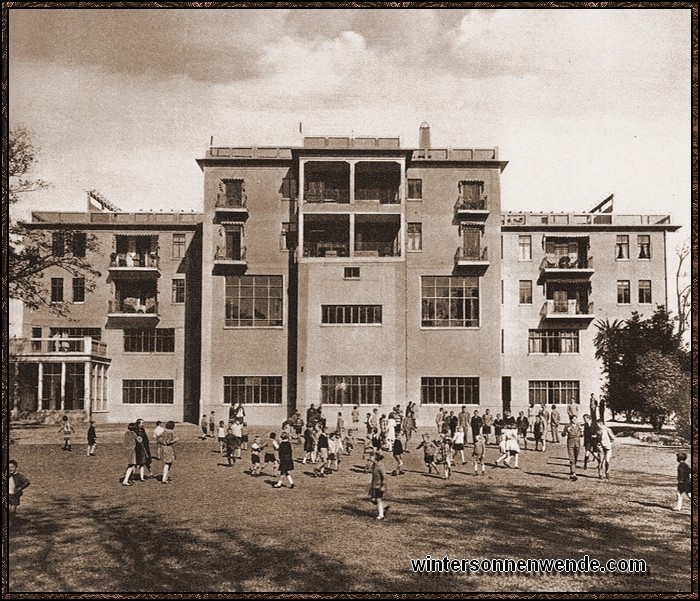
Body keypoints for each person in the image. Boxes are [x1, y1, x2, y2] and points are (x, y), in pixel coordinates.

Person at [562, 415, 582, 481]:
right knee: (572, 459)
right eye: (573, 419)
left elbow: (581, 435)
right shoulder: (567, 426)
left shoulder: (579, 426)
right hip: (570, 444)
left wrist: (582, 431)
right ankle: (573, 473)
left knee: (575, 459)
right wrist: (566, 431)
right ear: (571, 420)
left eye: (575, 419)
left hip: (577, 444)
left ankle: (572, 471)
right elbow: (563, 434)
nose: (574, 420)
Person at [370, 452, 389, 520]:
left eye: (371, 456)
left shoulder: (381, 466)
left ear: (375, 458)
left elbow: (384, 477)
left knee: (378, 499)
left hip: (379, 486)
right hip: (374, 485)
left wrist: (383, 486)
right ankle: (385, 506)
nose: (370, 457)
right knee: (373, 500)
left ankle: (381, 515)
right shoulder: (374, 465)